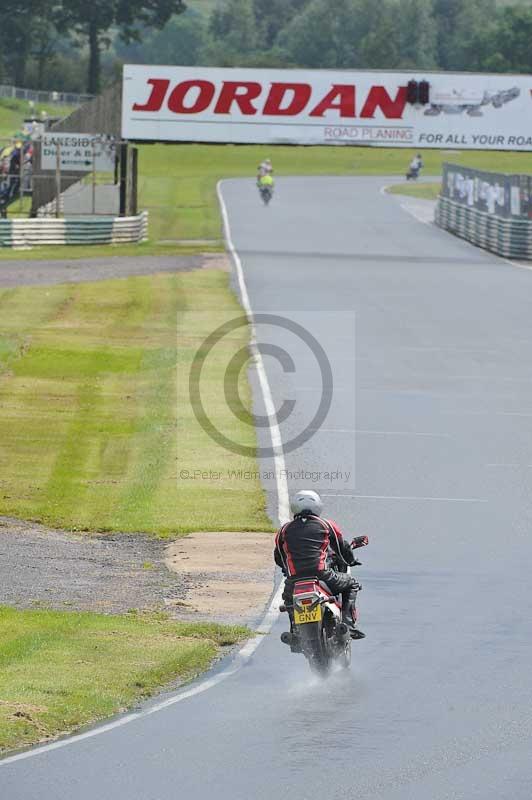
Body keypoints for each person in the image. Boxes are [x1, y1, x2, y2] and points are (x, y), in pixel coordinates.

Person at [275, 490, 365, 640]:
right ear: (318, 506)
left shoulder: (283, 530)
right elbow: (341, 548)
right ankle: (349, 625)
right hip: (322, 574)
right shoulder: (326, 524)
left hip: (294, 580)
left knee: (289, 601)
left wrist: (288, 572)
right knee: (351, 584)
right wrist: (350, 561)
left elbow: (279, 557)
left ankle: (295, 631)